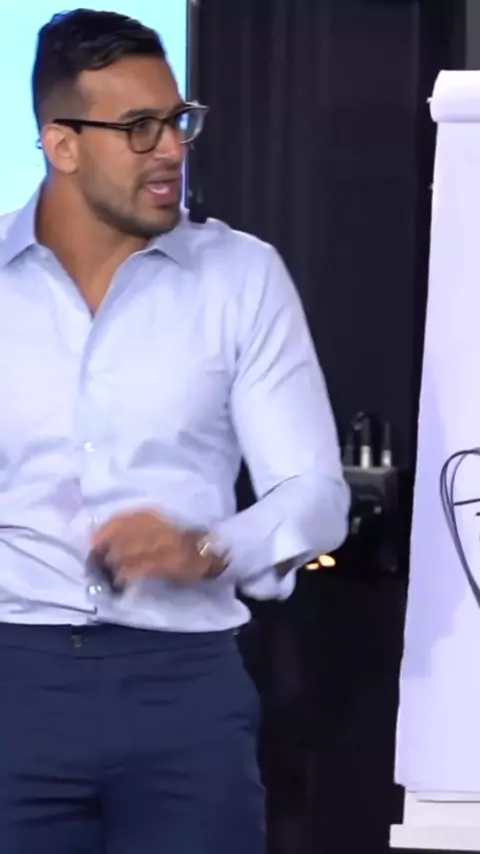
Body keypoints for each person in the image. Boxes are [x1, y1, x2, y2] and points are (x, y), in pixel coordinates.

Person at [0, 8, 349, 854]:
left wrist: (209, 548)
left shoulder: (242, 277)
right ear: (62, 144)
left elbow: (315, 494)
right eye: (139, 128)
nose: (170, 150)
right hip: (14, 678)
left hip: (184, 691)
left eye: (178, 120)